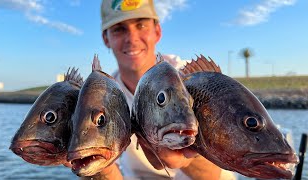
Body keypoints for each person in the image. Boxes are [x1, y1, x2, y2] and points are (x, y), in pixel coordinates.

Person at [98, 0, 229, 179]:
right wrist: (96, 161)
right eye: (119, 29)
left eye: (141, 25)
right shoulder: (103, 96)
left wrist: (188, 160)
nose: (132, 38)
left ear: (157, 31)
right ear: (106, 39)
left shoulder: (194, 80)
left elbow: (216, 174)